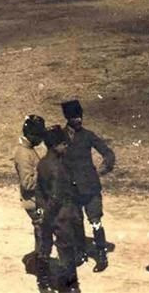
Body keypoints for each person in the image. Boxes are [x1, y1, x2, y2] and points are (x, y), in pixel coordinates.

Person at [61, 99, 115, 272]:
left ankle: (101, 256)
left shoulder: (88, 135)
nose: (78, 120)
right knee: (76, 222)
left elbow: (107, 152)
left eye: (80, 116)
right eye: (74, 117)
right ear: (67, 118)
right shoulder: (59, 137)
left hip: (90, 188)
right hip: (71, 189)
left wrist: (105, 167)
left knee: (95, 221)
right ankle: (81, 253)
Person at [36, 126, 82, 293]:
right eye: (64, 144)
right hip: (60, 215)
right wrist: (48, 216)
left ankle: (43, 282)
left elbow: (39, 190)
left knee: (44, 247)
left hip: (46, 214)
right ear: (55, 146)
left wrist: (41, 212)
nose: (66, 146)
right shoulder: (58, 167)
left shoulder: (42, 163)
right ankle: (70, 287)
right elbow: (56, 198)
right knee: (66, 250)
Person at [13, 114, 46, 278]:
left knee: (42, 230)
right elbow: (27, 184)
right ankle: (39, 266)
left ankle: (38, 262)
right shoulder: (23, 154)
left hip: (37, 201)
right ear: (31, 135)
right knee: (42, 230)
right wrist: (45, 174)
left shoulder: (28, 150)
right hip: (34, 203)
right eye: (39, 136)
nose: (41, 140)